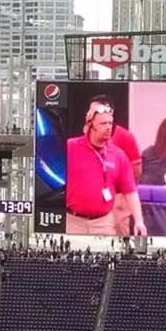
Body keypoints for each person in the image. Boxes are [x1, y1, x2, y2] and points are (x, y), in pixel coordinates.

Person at [65, 100, 139, 236]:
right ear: (90, 125)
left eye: (110, 123)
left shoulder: (118, 154)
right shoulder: (70, 147)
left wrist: (139, 220)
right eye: (103, 123)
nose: (109, 127)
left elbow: (130, 191)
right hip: (72, 222)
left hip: (103, 222)